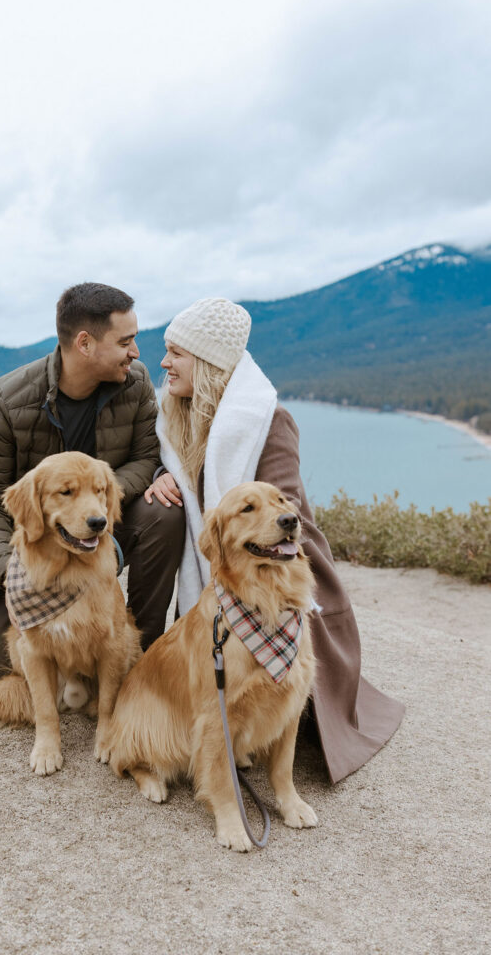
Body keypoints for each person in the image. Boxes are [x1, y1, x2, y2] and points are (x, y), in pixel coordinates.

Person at [144, 297, 404, 784]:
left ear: (207, 362)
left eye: (176, 352)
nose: (164, 363)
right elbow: (196, 487)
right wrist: (162, 474)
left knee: (291, 694)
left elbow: (285, 513)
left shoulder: (269, 420)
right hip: (233, 567)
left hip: (279, 558)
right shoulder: (180, 420)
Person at [0, 282, 184, 696]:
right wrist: (14, 572)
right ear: (84, 343)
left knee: (164, 511)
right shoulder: (2, 404)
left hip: (101, 531)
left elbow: (147, 459)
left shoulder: (135, 383)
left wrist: (101, 504)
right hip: (30, 551)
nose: (136, 353)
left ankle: (140, 656)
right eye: (126, 341)